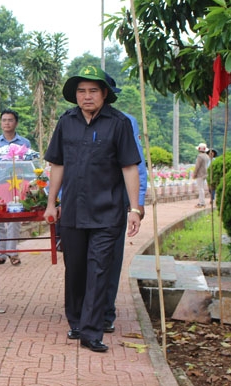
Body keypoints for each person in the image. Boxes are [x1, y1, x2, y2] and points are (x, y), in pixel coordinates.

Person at [43, 65, 141, 353]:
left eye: (93, 91)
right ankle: (76, 321)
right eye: (81, 91)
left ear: (104, 94)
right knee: (75, 270)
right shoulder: (66, 122)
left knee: (99, 269)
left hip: (108, 211)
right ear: (75, 95)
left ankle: (91, 330)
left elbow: (129, 167)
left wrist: (134, 209)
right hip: (72, 210)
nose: (87, 96)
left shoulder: (119, 123)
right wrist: (52, 203)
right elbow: (57, 164)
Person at [102, 73, 147, 334]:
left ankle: (106, 311)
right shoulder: (72, 121)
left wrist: (136, 206)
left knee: (110, 258)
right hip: (81, 203)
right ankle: (83, 310)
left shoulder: (125, 122)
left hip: (115, 202)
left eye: (98, 90)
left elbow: (136, 167)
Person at [0, 109, 31, 266]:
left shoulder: (24, 143)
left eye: (10, 120)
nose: (6, 123)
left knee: (15, 218)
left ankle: (13, 253)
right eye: (4, 120)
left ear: (16, 123)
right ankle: (0, 254)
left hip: (17, 185)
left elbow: (28, 165)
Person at [193, 143, 211, 208]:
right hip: (205, 173)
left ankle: (201, 202)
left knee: (200, 188)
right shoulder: (207, 156)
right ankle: (202, 202)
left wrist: (194, 174)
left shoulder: (200, 156)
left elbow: (197, 166)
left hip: (200, 174)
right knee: (202, 188)